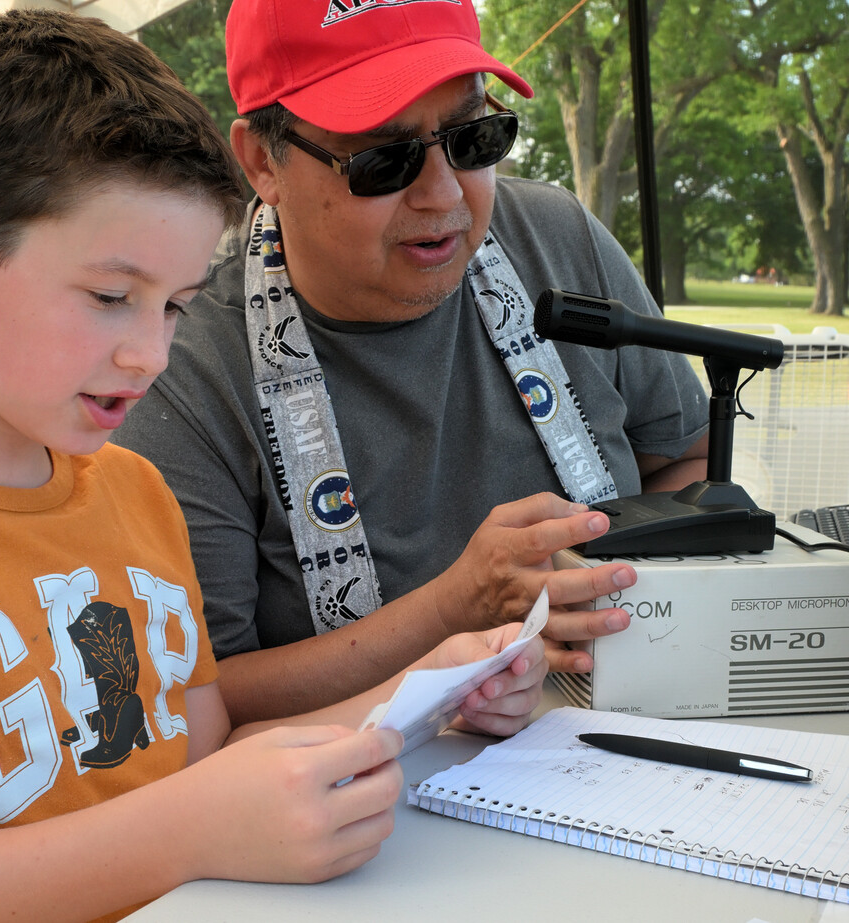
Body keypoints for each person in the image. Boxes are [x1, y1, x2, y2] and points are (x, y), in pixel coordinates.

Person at [0, 11, 549, 921]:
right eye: (110, 296)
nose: (151, 355)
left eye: (174, 306)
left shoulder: (133, 491)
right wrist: (186, 833)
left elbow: (201, 755)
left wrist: (431, 686)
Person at [113, 0, 711, 726]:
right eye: (384, 159)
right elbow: (196, 699)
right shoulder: (184, 360)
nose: (444, 193)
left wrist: (605, 589)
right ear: (264, 162)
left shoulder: (559, 240)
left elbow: (688, 459)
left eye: (472, 138)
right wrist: (455, 613)